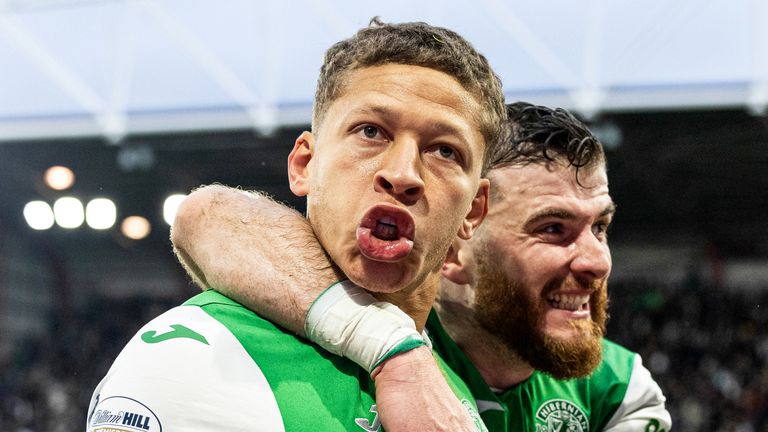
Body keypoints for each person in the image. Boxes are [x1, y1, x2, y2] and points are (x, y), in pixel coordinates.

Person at [87, 19, 507, 432]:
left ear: (473, 210)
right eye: (371, 132)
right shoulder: (195, 353)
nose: (402, 174)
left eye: (445, 152)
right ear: (305, 164)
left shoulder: (454, 397)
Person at [172, 102, 673, 431]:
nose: (597, 260)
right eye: (552, 229)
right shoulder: (373, 318)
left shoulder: (620, 391)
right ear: (455, 247)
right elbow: (205, 217)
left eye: (600, 226)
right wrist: (399, 353)